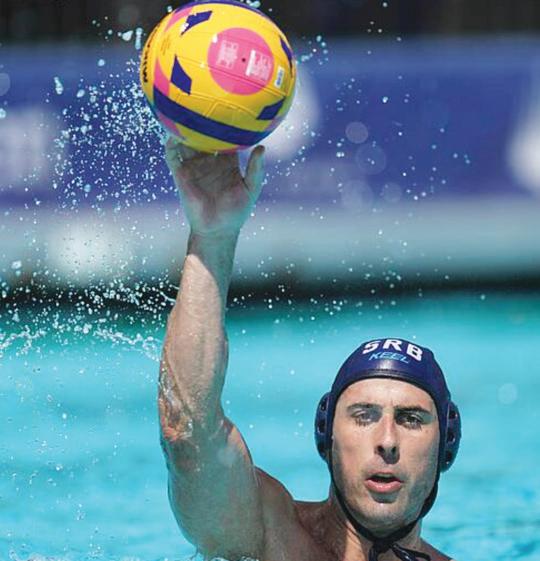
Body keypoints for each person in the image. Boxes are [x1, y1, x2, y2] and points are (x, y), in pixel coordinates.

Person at [158, 138, 462, 561]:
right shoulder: (268, 536)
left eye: (411, 419)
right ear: (326, 435)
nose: (387, 441)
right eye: (364, 415)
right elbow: (187, 431)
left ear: (447, 445)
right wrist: (213, 237)